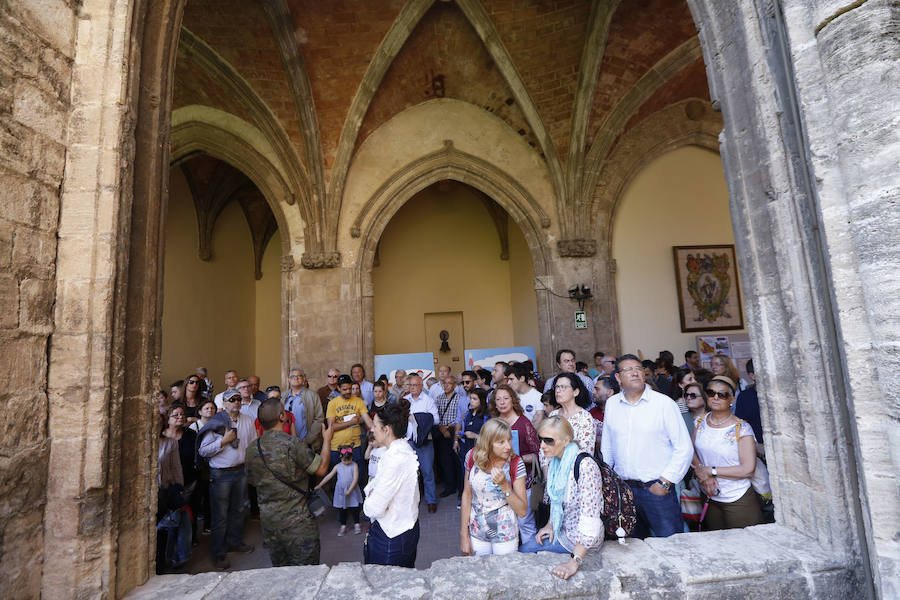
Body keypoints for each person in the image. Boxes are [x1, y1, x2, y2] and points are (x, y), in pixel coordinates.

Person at [601, 354, 693, 538]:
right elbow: (608, 445)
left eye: (638, 368)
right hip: (625, 491)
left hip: (656, 490)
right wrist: (609, 482)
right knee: (632, 546)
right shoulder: (612, 404)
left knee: (670, 544)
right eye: (628, 369)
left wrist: (665, 482)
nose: (635, 373)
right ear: (618, 377)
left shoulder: (663, 404)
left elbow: (684, 447)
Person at [244, 399, 334, 566]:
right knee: (306, 575)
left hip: (270, 525)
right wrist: (327, 440)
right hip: (298, 524)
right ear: (282, 416)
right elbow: (321, 469)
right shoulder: (292, 444)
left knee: (282, 574)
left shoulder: (251, 449)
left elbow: (252, 481)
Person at [519, 416, 604, 580]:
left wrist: (573, 563)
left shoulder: (585, 466)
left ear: (566, 441)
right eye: (540, 439)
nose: (542, 446)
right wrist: (550, 524)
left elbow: (591, 522)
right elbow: (558, 501)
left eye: (549, 441)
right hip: (562, 531)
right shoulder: (557, 462)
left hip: (579, 541)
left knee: (523, 552)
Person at [197, 389, 257, 569]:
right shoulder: (216, 423)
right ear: (224, 403)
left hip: (240, 471)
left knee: (238, 510)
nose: (236, 402)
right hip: (221, 474)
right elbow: (203, 450)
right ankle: (219, 553)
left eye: (239, 399)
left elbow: (252, 444)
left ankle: (235, 542)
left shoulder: (247, 420)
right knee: (220, 516)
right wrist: (223, 441)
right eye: (232, 400)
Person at [691, 375, 761, 530]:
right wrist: (703, 474)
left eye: (722, 394)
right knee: (717, 542)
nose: (715, 397)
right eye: (711, 393)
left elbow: (748, 469)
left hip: (737, 497)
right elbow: (691, 450)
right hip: (709, 494)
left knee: (744, 544)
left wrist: (711, 471)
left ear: (732, 400)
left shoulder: (742, 429)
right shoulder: (700, 422)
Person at [363, 403, 421, 568]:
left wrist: (370, 497)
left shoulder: (396, 458)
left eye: (375, 425)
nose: (372, 429)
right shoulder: (397, 450)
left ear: (387, 429)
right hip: (398, 529)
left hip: (392, 536)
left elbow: (372, 509)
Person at [459, 418, 528, 556]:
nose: (508, 446)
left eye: (509, 440)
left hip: (505, 535)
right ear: (488, 443)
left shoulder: (515, 463)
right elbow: (467, 495)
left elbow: (522, 511)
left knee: (504, 576)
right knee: (480, 574)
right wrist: (463, 535)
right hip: (477, 532)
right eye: (501, 442)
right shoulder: (472, 457)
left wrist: (505, 486)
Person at [490, 384, 540, 543]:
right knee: (503, 522)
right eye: (498, 399)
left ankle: (529, 555)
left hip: (523, 482)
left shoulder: (524, 423)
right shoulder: (494, 424)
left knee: (524, 521)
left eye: (506, 398)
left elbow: (538, 454)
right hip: (500, 482)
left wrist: (518, 458)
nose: (502, 402)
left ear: (513, 400)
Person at [325, 374, 374, 482]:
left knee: (359, 478)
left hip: (355, 446)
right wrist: (350, 422)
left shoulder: (358, 401)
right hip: (337, 447)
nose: (348, 391)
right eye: (344, 389)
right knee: (338, 479)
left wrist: (376, 430)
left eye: (349, 388)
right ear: (338, 388)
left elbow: (368, 420)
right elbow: (331, 427)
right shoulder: (332, 403)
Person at [404, 373, 440, 512]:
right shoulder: (405, 400)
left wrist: (417, 418)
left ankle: (431, 500)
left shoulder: (428, 401)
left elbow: (436, 420)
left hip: (425, 441)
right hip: (408, 441)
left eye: (415, 385)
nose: (412, 388)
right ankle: (413, 501)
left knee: (427, 472)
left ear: (421, 386)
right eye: (410, 385)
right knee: (411, 474)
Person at [316, 446, 363, 536]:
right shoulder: (338, 466)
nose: (346, 462)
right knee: (342, 509)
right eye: (344, 460)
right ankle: (343, 525)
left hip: (352, 490)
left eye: (348, 460)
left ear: (352, 458)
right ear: (340, 458)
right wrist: (320, 485)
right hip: (341, 491)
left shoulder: (354, 465)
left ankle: (357, 524)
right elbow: (329, 476)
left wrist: (350, 490)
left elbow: (355, 479)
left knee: (354, 508)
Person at [548, 372, 596, 454]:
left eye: (563, 387)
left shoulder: (585, 418)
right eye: (557, 387)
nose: (558, 391)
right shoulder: (553, 415)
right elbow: (545, 445)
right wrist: (546, 465)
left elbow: (584, 452)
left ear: (575, 392)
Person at [433, 374, 464, 499]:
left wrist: (449, 428)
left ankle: (461, 488)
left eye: (449, 383)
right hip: (442, 432)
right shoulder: (439, 398)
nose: (446, 386)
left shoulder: (460, 398)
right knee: (445, 461)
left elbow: (460, 417)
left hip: (454, 431)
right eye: (444, 383)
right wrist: (442, 428)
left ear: (454, 385)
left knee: (457, 460)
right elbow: (436, 415)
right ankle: (449, 487)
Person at [284, 367, 325, 452]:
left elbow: (319, 418)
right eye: (293, 376)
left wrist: (308, 440)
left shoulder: (312, 395)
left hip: (307, 443)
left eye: (299, 376)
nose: (296, 378)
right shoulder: (283, 396)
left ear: (304, 379)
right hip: (286, 444)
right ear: (289, 379)